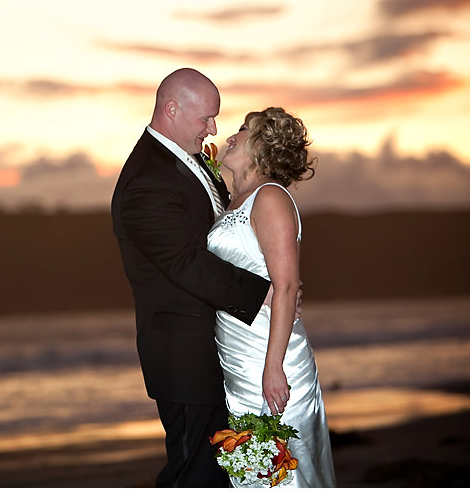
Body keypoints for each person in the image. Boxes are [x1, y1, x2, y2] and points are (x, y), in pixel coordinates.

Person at [111, 68, 280, 487]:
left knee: (218, 470)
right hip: (184, 356)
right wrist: (264, 293)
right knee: (193, 472)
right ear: (171, 109)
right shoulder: (146, 181)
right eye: (206, 118)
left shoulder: (185, 162)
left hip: (214, 347)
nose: (214, 129)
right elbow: (185, 263)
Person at [208, 107, 335, 487]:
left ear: (263, 145)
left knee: (286, 470)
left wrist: (274, 366)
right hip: (237, 357)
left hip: (270, 355)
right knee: (252, 473)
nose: (231, 136)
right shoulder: (233, 198)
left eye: (243, 130)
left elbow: (287, 286)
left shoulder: (270, 198)